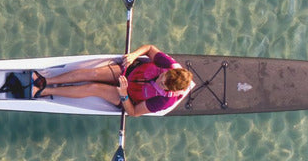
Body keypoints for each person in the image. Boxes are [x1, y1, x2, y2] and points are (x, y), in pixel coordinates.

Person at [32, 44, 193, 116]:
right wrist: (134, 55)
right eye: (163, 77)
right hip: (129, 72)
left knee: (93, 88)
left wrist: (123, 93)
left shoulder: (164, 102)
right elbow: (150, 48)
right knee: (93, 74)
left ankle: (45, 91)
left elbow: (133, 112)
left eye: (163, 85)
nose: (160, 81)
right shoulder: (169, 65)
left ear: (169, 90)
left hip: (127, 97)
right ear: (169, 72)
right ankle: (46, 80)